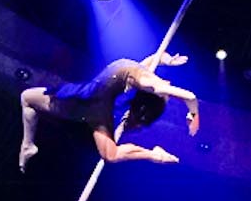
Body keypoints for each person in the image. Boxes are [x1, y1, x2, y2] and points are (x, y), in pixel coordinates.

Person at [19, 49, 200, 170]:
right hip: (89, 102)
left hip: (89, 104)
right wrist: (168, 60)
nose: (169, 86)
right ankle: (28, 145)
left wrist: (194, 114)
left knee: (111, 155)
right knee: (27, 98)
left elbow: (190, 96)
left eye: (167, 96)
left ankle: (154, 155)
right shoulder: (144, 74)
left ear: (156, 96)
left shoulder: (151, 84)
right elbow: (156, 57)